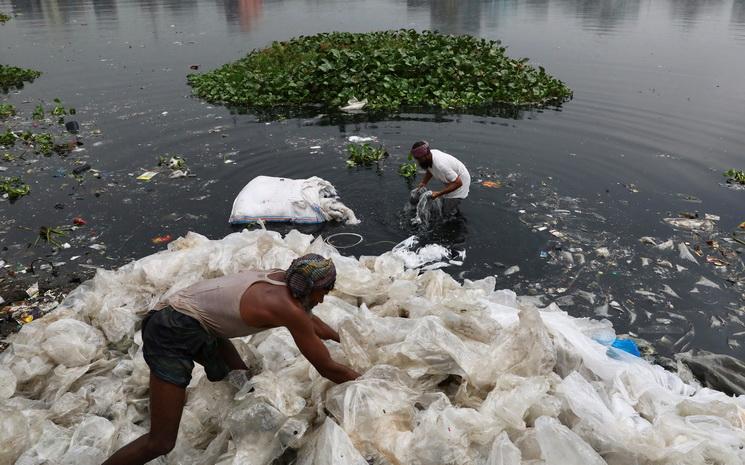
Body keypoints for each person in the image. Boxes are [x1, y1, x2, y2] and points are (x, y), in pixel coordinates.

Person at [103, 254, 360, 465]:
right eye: (322, 292)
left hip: (195, 320)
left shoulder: (282, 279)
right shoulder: (288, 308)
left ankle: (248, 438)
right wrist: (365, 382)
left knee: (243, 382)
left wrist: (345, 340)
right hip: (171, 329)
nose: (323, 299)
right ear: (307, 288)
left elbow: (311, 321)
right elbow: (326, 368)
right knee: (160, 441)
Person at [410, 141, 470, 216]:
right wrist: (424, 182)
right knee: (444, 203)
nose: (418, 161)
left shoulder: (440, 165)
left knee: (446, 213)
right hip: (451, 178)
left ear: (426, 156)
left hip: (461, 181)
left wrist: (439, 193)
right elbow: (430, 169)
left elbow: (458, 183)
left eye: (419, 159)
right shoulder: (430, 156)